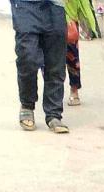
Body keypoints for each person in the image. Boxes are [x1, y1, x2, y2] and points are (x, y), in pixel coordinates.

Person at [11, 0, 69, 133]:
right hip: (24, 5)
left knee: (55, 62)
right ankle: (27, 105)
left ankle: (53, 114)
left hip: (55, 5)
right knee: (27, 56)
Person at [64, 0, 97, 106]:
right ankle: (52, 93)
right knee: (48, 59)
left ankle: (74, 89)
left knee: (72, 56)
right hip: (47, 15)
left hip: (70, 14)